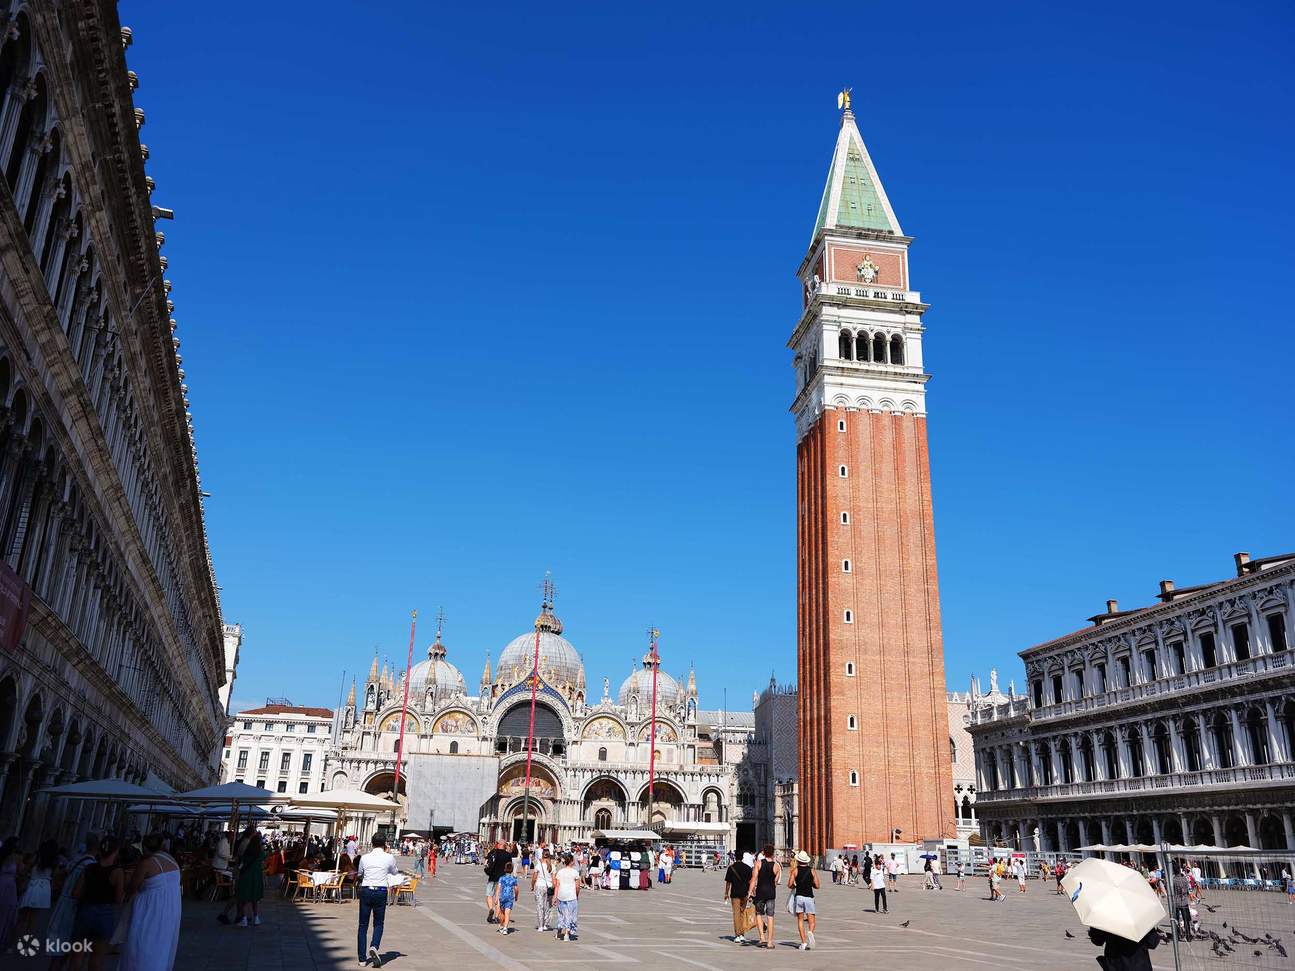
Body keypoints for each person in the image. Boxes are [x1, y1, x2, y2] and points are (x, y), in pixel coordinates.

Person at [120, 833, 181, 971]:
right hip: (169, 911)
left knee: (141, 946)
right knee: (161, 946)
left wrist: (126, 877)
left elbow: (131, 888)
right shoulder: (172, 861)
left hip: (149, 910)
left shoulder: (147, 863)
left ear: (145, 847)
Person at [71, 836, 125, 971]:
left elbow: (76, 893)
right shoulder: (117, 872)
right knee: (96, 959)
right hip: (104, 915)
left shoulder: (88, 868)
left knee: (77, 957)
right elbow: (119, 900)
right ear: (115, 852)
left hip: (86, 911)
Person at [356, 833, 399, 967]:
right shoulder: (389, 857)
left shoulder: (365, 857)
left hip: (367, 890)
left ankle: (362, 959)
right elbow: (395, 872)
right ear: (385, 844)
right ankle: (374, 945)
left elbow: (360, 873)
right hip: (380, 891)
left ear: (372, 843)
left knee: (363, 925)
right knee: (378, 923)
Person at [16, 840, 57, 938]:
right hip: (44, 888)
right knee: (33, 919)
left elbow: (26, 870)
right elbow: (54, 876)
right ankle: (26, 943)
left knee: (22, 917)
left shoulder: (36, 857)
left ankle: (12, 944)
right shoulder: (53, 861)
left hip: (32, 885)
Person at [747, 844, 780, 949]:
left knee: (759, 914)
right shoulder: (777, 866)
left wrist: (749, 892)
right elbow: (775, 882)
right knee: (770, 916)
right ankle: (770, 942)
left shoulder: (758, 863)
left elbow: (753, 879)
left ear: (764, 853)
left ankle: (762, 938)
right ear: (773, 853)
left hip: (760, 892)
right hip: (771, 893)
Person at [787, 850, 819, 951]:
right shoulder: (812, 870)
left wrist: (794, 886)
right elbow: (818, 885)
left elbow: (789, 884)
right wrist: (812, 884)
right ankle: (810, 932)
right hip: (809, 897)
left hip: (799, 897)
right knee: (812, 920)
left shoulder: (795, 870)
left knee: (800, 920)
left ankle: (804, 943)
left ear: (798, 860)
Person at [234, 830, 266, 927]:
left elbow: (242, 862)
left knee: (243, 898)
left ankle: (244, 919)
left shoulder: (246, 851)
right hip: (256, 876)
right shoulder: (261, 852)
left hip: (246, 876)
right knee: (254, 899)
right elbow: (263, 864)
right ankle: (256, 918)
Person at [723, 851, 753, 944]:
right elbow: (750, 882)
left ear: (735, 858)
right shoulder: (748, 868)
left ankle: (737, 935)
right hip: (744, 893)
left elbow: (728, 882)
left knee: (736, 914)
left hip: (735, 893)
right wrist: (751, 893)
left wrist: (726, 893)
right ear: (743, 858)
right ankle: (742, 934)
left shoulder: (731, 868)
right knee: (742, 913)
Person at [554, 852, 580, 942]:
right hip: (571, 895)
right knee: (570, 915)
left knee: (561, 914)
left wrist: (555, 896)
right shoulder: (575, 872)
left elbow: (557, 885)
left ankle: (558, 932)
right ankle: (566, 934)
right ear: (572, 861)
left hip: (561, 895)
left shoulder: (560, 872)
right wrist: (577, 895)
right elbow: (577, 886)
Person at [484, 841, 510, 925]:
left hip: (492, 877)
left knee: (489, 895)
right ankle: (497, 916)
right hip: (502, 878)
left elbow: (486, 861)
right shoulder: (508, 855)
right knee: (498, 897)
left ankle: (491, 909)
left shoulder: (493, 852)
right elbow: (509, 867)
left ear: (499, 844)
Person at [531, 847, 554, 932]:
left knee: (540, 906)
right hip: (549, 887)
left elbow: (534, 877)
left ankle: (540, 925)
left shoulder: (538, 865)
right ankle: (545, 924)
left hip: (539, 886)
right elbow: (554, 878)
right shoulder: (552, 865)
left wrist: (532, 886)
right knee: (548, 906)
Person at [495, 862, 518, 934]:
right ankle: (505, 928)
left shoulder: (501, 878)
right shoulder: (514, 879)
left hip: (502, 897)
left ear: (505, 869)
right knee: (507, 913)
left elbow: (498, 888)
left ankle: (501, 925)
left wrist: (496, 898)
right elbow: (516, 889)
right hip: (510, 897)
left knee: (502, 913)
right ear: (512, 870)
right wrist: (516, 896)